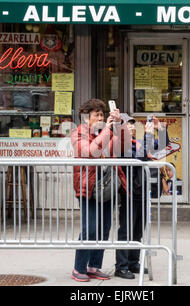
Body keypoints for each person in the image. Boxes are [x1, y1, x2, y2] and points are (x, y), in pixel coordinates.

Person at [70, 98, 129, 282]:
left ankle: (94, 266)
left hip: (107, 187)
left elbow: (123, 147)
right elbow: (91, 152)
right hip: (88, 187)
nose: (101, 117)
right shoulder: (77, 133)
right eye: (97, 114)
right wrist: (106, 131)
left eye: (103, 114)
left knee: (104, 228)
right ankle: (79, 268)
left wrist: (120, 125)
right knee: (90, 228)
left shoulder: (107, 131)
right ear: (86, 117)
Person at [115, 114, 168, 280]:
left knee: (138, 229)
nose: (131, 127)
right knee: (126, 230)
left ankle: (133, 262)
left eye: (132, 124)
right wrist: (148, 134)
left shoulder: (137, 142)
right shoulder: (121, 145)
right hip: (129, 193)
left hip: (143, 192)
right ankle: (121, 266)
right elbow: (140, 154)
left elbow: (163, 145)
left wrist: (161, 129)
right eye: (127, 125)